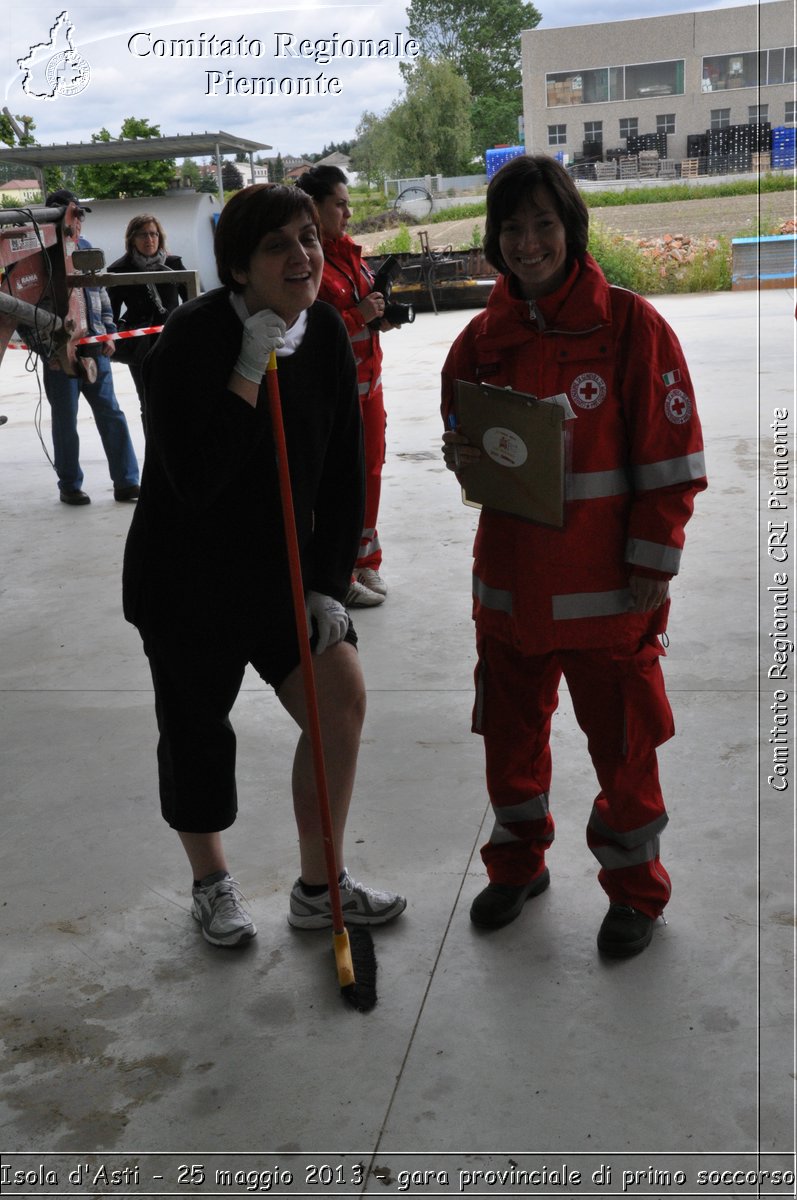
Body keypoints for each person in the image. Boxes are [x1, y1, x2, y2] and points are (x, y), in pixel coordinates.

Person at [122, 183, 406, 946]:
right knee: (197, 734)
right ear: (239, 269)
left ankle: (319, 886)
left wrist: (324, 586)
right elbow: (197, 478)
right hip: (186, 580)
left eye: (308, 237)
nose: (303, 255)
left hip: (279, 572)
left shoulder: (322, 339)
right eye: (278, 244)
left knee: (338, 695)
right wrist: (248, 368)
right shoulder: (189, 339)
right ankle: (210, 882)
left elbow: (343, 478)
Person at [441, 155, 707, 957]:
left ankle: (635, 893)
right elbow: (464, 442)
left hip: (605, 599)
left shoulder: (630, 326)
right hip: (510, 592)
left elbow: (672, 464)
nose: (527, 243)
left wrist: (647, 571)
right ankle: (517, 864)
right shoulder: (481, 340)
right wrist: (464, 457)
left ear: (570, 228)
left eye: (542, 225)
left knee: (623, 750)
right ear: (494, 240)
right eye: (511, 228)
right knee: (509, 742)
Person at [296, 165, 395, 608]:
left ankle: (364, 559)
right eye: (340, 204)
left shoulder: (349, 255)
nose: (348, 213)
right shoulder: (305, 262)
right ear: (314, 208)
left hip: (368, 386)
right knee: (334, 485)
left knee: (368, 474)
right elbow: (307, 326)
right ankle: (336, 572)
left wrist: (381, 316)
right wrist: (360, 316)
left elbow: (361, 312)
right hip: (332, 394)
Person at [42, 190, 140, 506]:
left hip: (94, 347)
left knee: (111, 413)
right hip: (59, 351)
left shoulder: (86, 250)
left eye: (80, 216)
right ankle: (70, 485)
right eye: (73, 216)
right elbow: (25, 311)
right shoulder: (39, 257)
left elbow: (101, 295)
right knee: (65, 421)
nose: (78, 222)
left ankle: (127, 482)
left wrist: (108, 333)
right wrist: (47, 347)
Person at [107, 214, 188, 409]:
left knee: (177, 398)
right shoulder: (119, 270)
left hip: (172, 339)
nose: (149, 240)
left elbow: (190, 301)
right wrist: (110, 337)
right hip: (140, 344)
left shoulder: (174, 264)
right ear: (132, 239)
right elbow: (111, 311)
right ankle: (152, 440)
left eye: (153, 234)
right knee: (147, 400)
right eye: (143, 235)